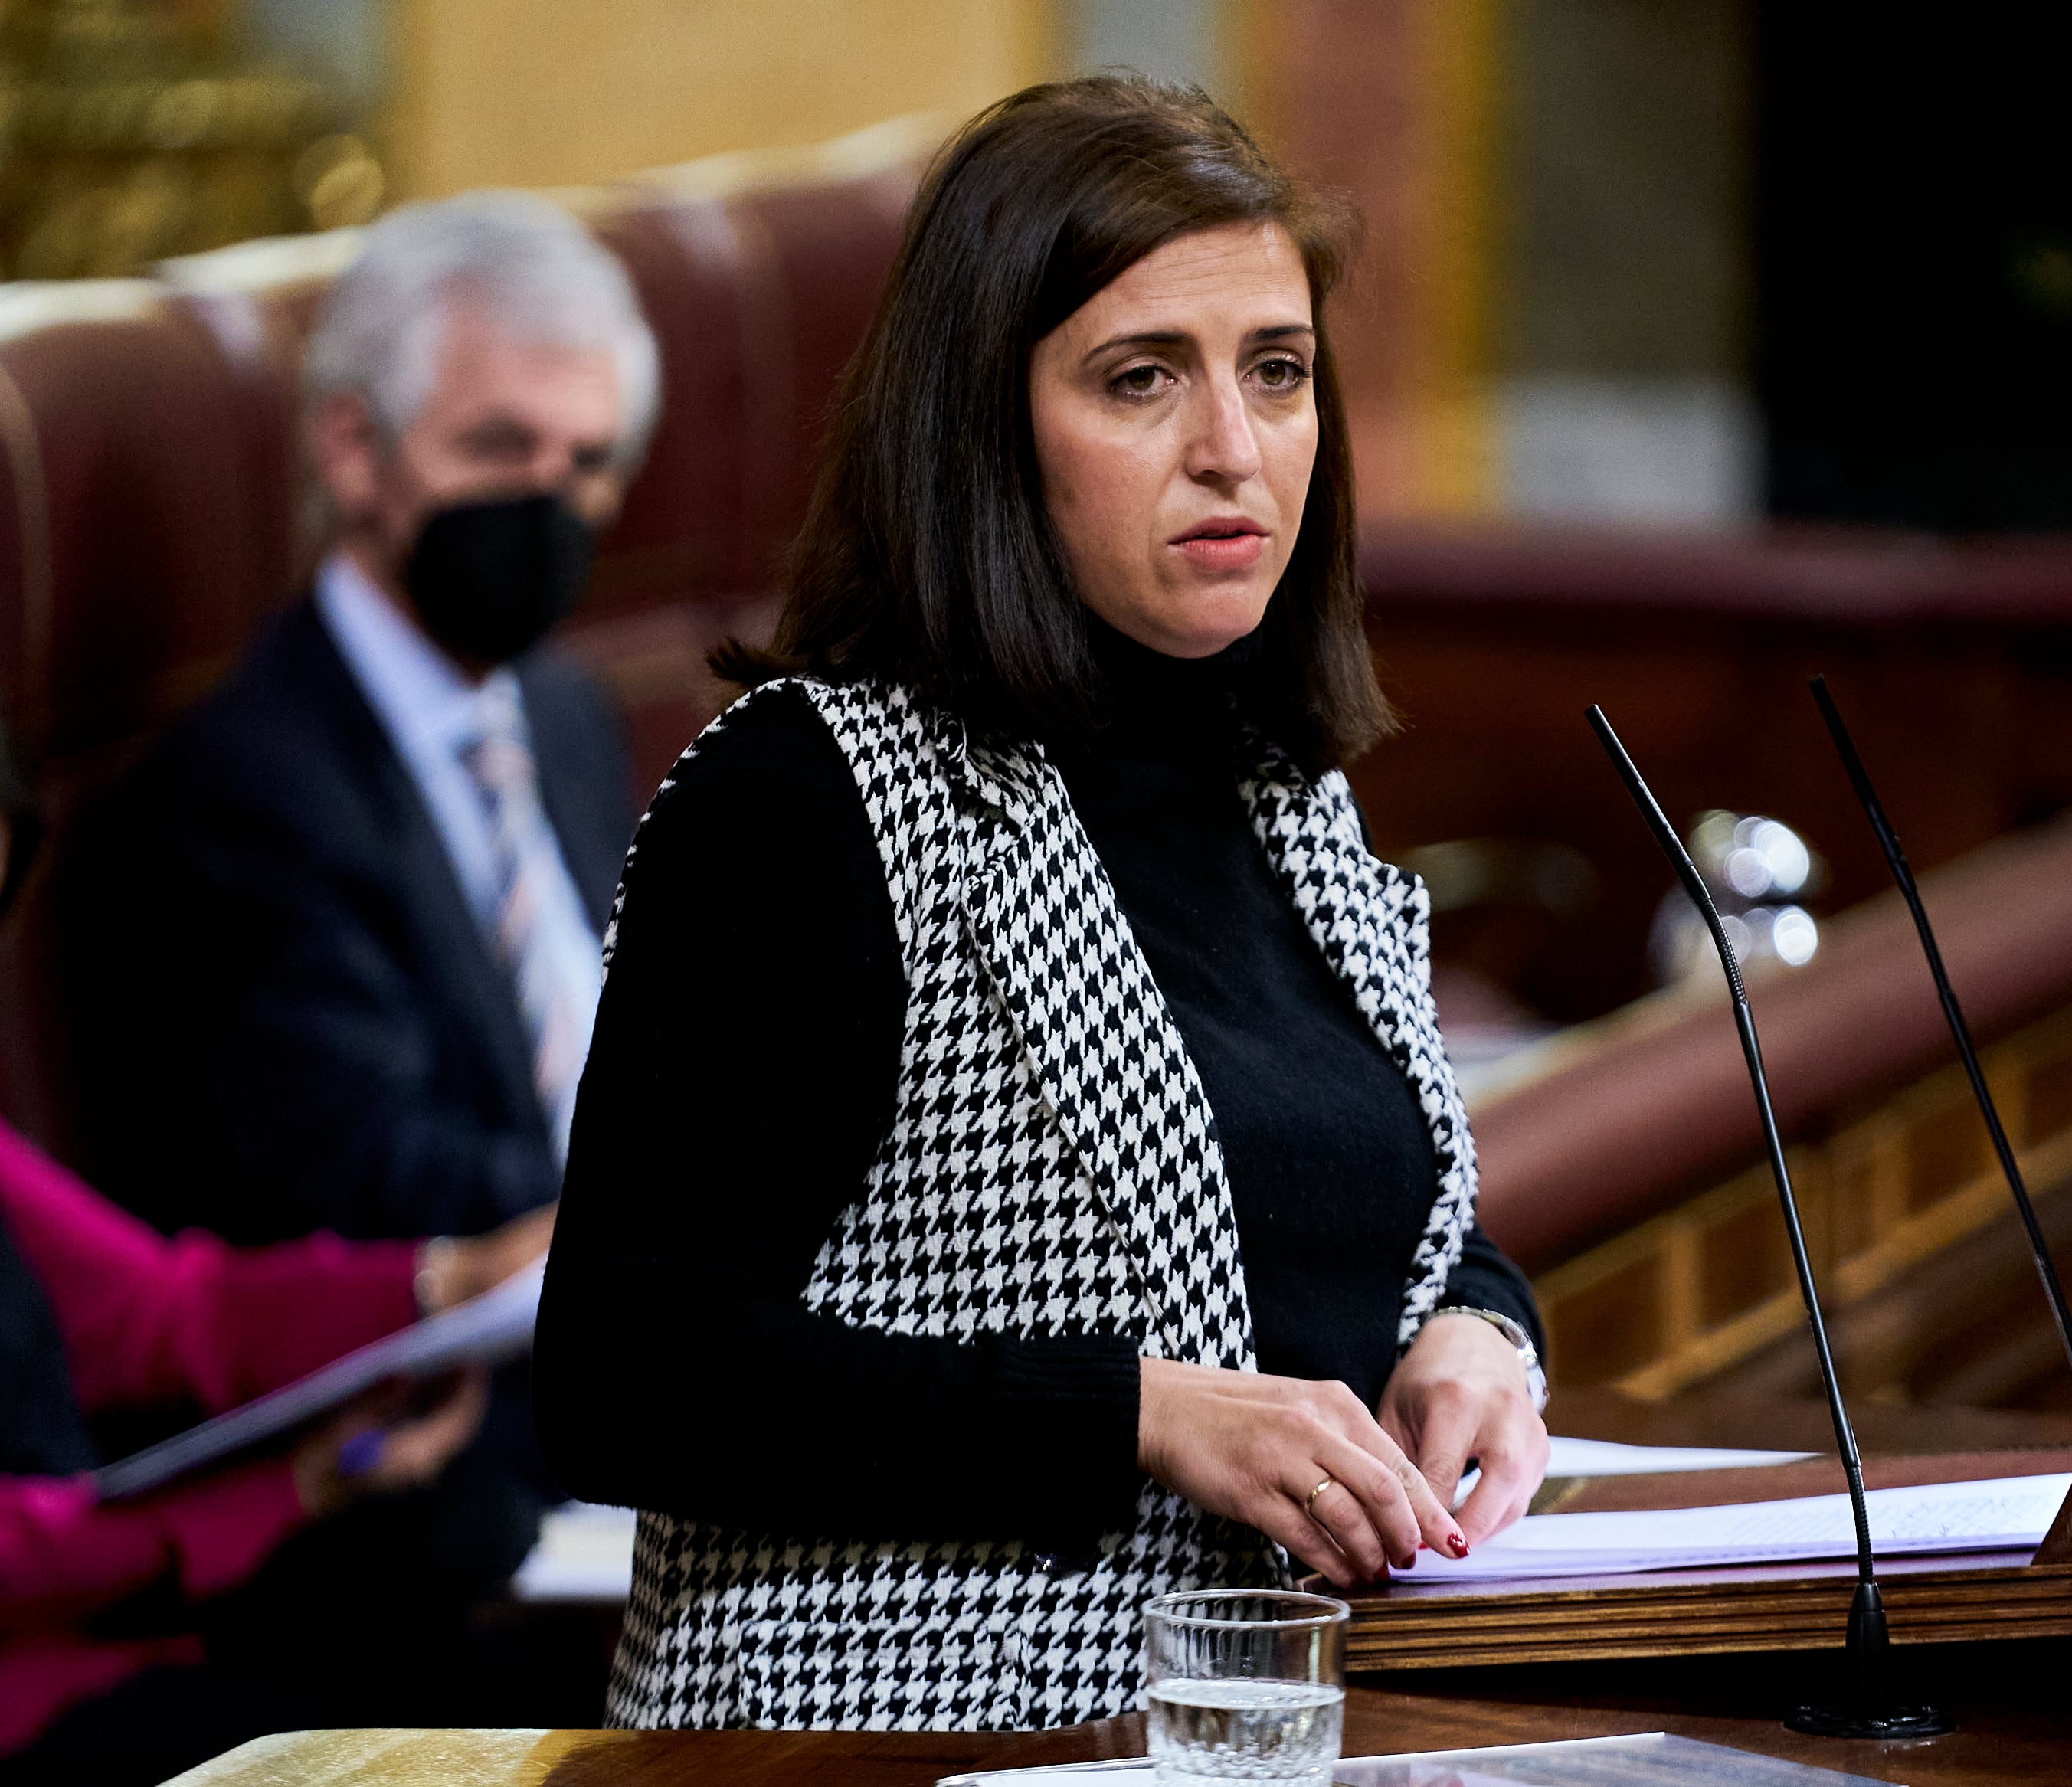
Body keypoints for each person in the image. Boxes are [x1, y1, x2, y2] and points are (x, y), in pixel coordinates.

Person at [535, 77, 1551, 1734]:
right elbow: (624, 1379)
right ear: (986, 427)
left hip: (1252, 1735)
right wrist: (1136, 1416)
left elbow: (1326, 1199)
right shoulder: (809, 799)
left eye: (1276, 373)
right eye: (1140, 379)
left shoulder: (1281, 787)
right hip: (883, 1746)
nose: (1233, 448)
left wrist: (1477, 1331)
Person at [65, 190, 653, 1249]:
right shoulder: (251, 787)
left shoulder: (561, 707)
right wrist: (689, 1203)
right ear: (351, 446)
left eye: (587, 465)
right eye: (500, 447)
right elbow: (365, 1174)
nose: (548, 504)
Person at [0, 739, 548, 1787]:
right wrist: (278, 1496)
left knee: (466, 1574)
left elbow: (166, 1311)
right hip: (33, 1706)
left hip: (113, 1641)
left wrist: (446, 1281)